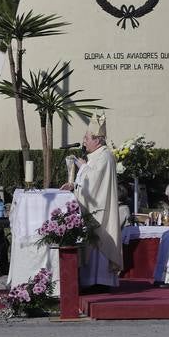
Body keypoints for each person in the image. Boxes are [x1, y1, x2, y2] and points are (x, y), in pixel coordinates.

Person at [60, 111, 122, 292]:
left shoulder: (105, 156)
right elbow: (86, 182)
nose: (84, 141)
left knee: (98, 241)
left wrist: (82, 166)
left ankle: (100, 281)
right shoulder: (95, 156)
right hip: (91, 207)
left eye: (87, 138)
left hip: (100, 209)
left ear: (98, 140)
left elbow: (94, 180)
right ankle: (89, 280)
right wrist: (72, 186)